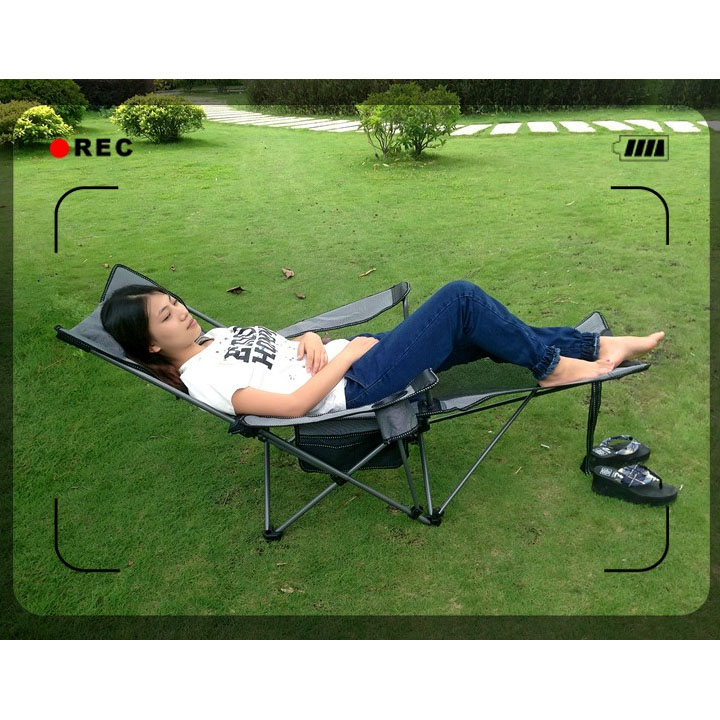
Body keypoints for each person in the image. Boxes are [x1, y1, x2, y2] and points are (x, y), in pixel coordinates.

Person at [100, 279, 665, 419]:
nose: (182, 311)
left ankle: (596, 344)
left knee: (474, 328)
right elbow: (292, 406)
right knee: (461, 298)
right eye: (167, 316)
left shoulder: (216, 337)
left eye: (175, 301)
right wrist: (346, 357)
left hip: (354, 358)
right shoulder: (204, 377)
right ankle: (554, 367)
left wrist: (312, 338)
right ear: (150, 343)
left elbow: (285, 349)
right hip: (355, 385)